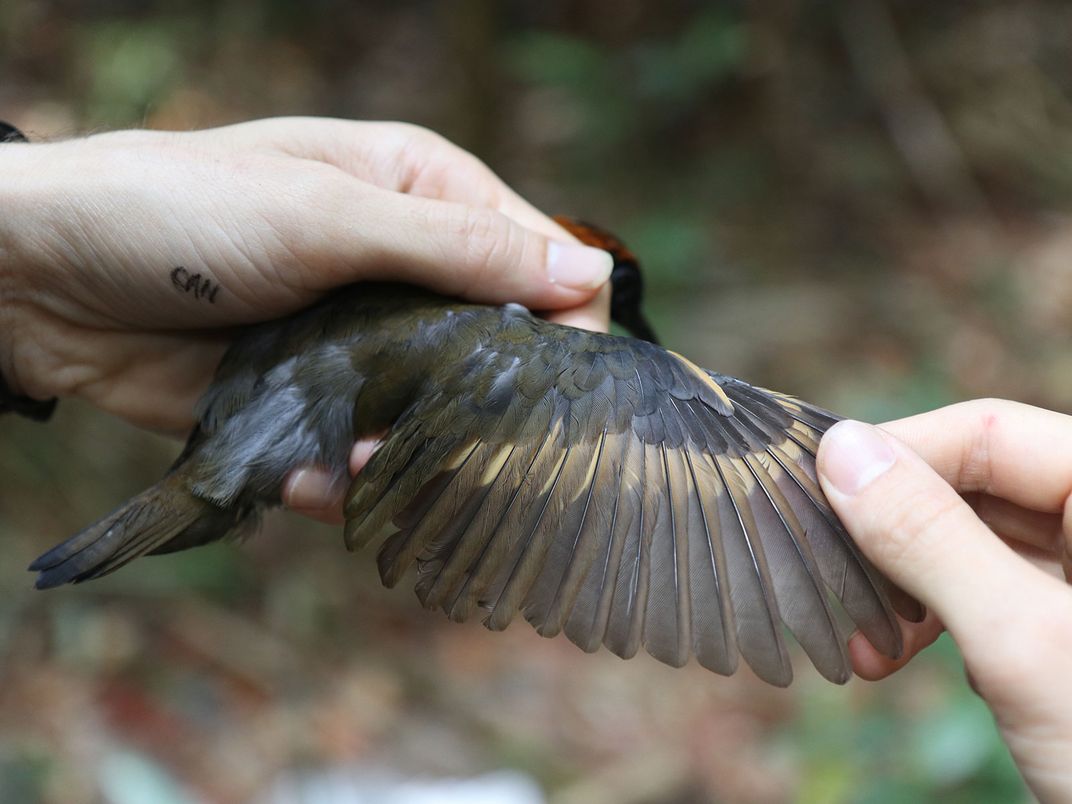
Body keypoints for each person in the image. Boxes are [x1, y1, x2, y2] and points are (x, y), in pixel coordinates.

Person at [1, 117, 1067, 799]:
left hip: (238, 415)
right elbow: (673, 425)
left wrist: (29, 260)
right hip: (252, 422)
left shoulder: (457, 319)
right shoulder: (541, 350)